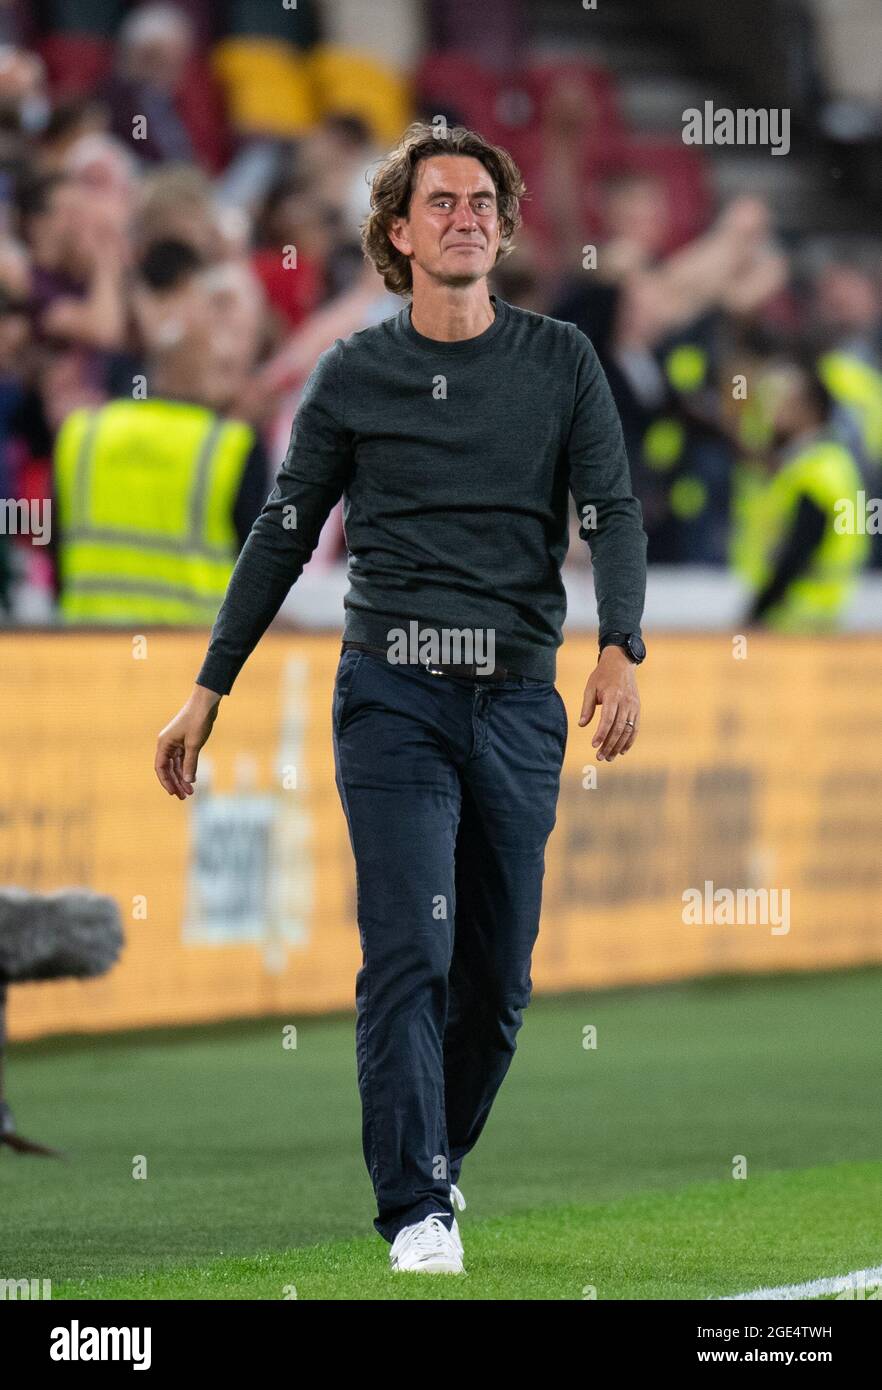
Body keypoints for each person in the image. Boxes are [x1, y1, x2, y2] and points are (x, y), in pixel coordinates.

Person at [154, 122, 648, 1273]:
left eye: (483, 200)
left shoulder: (562, 361)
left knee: (499, 979)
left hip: (520, 701)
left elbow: (614, 512)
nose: (466, 215)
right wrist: (206, 687)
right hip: (392, 697)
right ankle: (415, 1207)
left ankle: (440, 1162)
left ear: (506, 226)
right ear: (395, 232)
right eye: (441, 201)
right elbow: (282, 532)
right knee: (407, 954)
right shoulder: (354, 373)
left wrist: (623, 642)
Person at [51, 239, 268, 622]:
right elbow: (259, 591)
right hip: (194, 672)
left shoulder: (80, 435)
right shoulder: (233, 449)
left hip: (82, 667)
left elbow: (58, 568)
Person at [737, 361, 870, 630]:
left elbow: (798, 549)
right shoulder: (832, 462)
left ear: (809, 410)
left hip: (796, 616)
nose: (773, 410)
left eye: (785, 402)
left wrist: (757, 611)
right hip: (821, 614)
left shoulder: (813, 471)